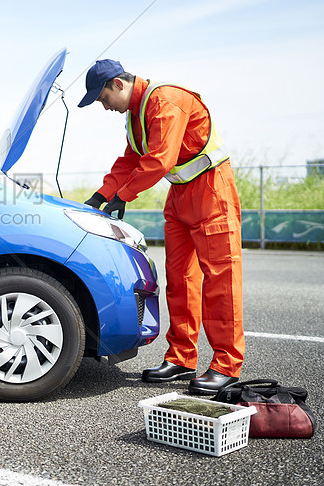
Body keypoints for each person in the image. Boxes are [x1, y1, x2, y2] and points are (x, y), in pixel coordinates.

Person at [78, 59, 244, 395]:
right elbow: (129, 161)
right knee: (180, 280)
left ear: (118, 84)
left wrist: (124, 195)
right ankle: (182, 358)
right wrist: (100, 196)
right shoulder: (136, 115)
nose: (104, 106)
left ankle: (226, 366)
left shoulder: (164, 101)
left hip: (212, 192)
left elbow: (159, 160)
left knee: (220, 281)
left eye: (103, 98)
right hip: (180, 195)